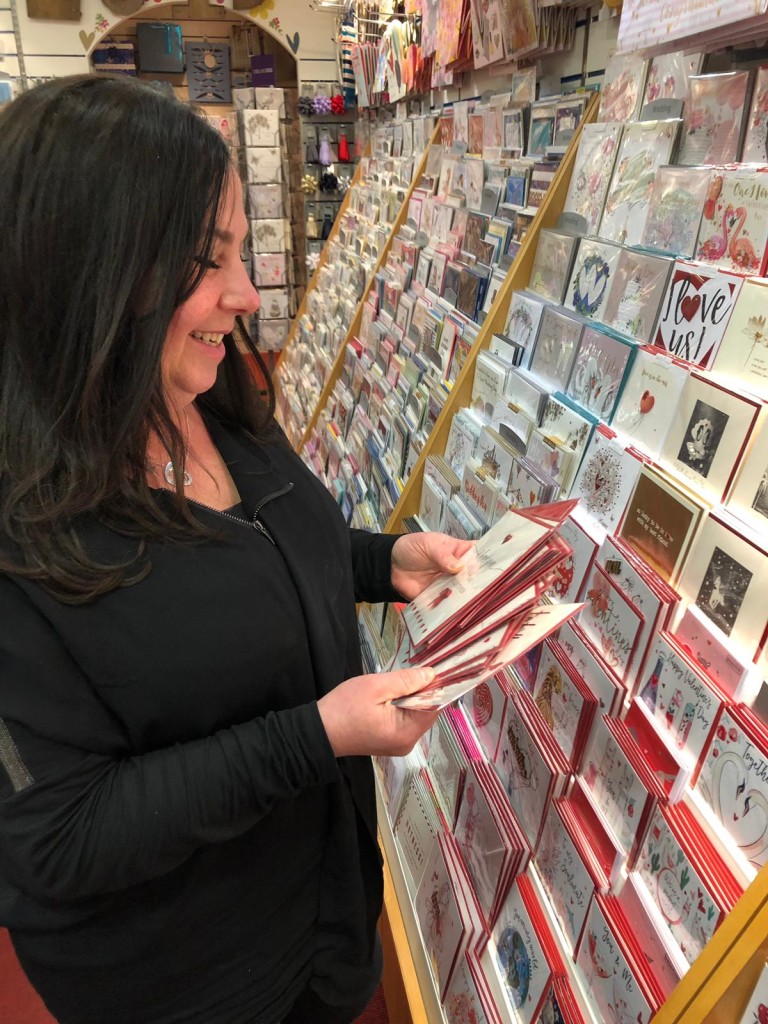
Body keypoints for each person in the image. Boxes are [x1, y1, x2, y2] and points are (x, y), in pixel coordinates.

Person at [0, 75, 471, 1024]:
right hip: (198, 983)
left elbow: (251, 554)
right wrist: (318, 735)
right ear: (91, 271)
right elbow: (59, 834)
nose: (248, 293)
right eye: (206, 260)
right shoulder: (22, 530)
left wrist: (381, 564)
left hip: (325, 922)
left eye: (242, 251)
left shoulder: (205, 396)